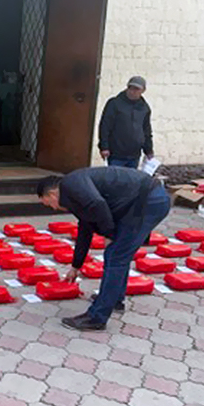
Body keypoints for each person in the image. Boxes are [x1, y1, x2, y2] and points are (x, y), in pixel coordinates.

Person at [36, 166, 170, 331]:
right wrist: (76, 266)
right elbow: (85, 230)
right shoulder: (75, 195)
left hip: (148, 200)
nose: (54, 209)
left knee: (115, 256)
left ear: (52, 194)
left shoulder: (72, 184)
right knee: (117, 255)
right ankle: (114, 300)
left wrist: (109, 234)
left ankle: (96, 318)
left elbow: (98, 204)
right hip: (138, 202)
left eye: (50, 204)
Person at [98, 76, 154, 169]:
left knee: (131, 177)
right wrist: (104, 147)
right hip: (116, 153)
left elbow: (146, 130)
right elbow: (105, 126)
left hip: (135, 155)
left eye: (136, 89)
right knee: (115, 177)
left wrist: (148, 150)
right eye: (131, 88)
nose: (133, 91)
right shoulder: (114, 103)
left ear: (143, 90)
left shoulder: (144, 108)